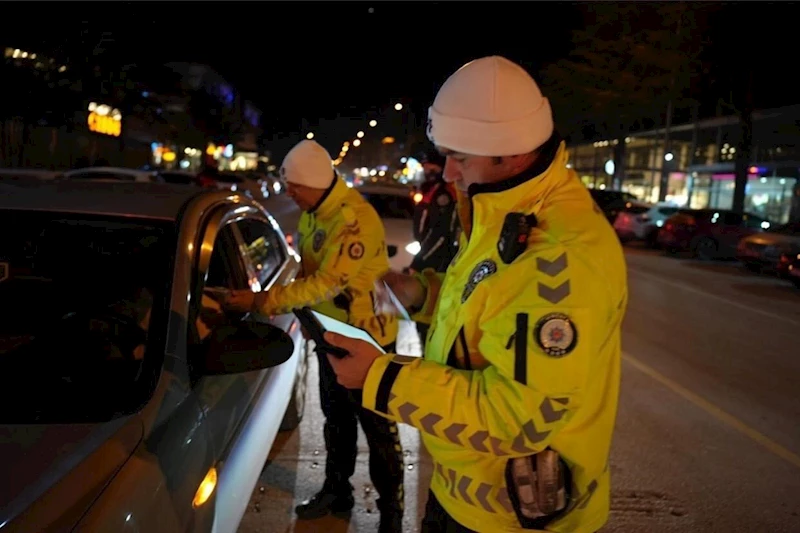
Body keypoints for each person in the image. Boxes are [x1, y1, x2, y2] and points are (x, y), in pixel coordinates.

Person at [321, 56, 628, 533]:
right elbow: (490, 303)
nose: (447, 173)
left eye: (459, 156)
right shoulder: (500, 207)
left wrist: (379, 378)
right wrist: (420, 293)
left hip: (510, 518)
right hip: (468, 491)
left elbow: (522, 418)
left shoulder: (558, 259)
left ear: (506, 151)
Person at [218, 139, 405, 532]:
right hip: (331, 336)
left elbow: (324, 282)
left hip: (368, 340)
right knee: (335, 421)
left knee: (378, 431)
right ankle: (336, 493)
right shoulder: (313, 213)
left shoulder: (353, 219)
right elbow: (306, 271)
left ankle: (391, 515)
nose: (288, 194)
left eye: (293, 187)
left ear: (313, 183)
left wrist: (262, 300)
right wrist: (306, 317)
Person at [410, 148, 459, 274]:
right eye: (425, 168)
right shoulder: (431, 189)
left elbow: (440, 233)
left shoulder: (443, 194)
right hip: (428, 252)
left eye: (432, 169)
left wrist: (419, 262)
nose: (427, 172)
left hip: (437, 262)